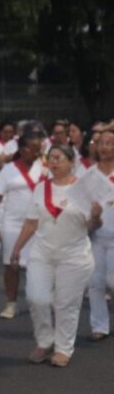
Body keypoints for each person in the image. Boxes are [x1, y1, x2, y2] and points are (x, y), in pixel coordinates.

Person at [9, 144, 102, 367]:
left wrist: (97, 217)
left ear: (72, 162)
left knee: (66, 303)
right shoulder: (41, 188)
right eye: (50, 158)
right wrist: (17, 248)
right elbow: (32, 221)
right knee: (36, 297)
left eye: (59, 158)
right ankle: (44, 340)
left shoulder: (83, 190)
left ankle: (63, 348)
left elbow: (91, 224)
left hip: (74, 255)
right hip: (42, 252)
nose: (54, 162)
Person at [0, 133, 45, 319]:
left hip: (39, 223)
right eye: (34, 149)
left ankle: (35, 301)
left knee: (36, 265)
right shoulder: (9, 169)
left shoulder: (45, 168)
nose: (38, 153)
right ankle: (11, 303)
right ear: (23, 150)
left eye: (40, 149)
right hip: (12, 223)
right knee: (11, 265)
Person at [86, 130, 114, 342]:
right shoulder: (89, 174)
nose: (104, 147)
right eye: (100, 143)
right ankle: (99, 325)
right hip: (95, 235)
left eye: (109, 143)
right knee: (95, 281)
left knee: (111, 281)